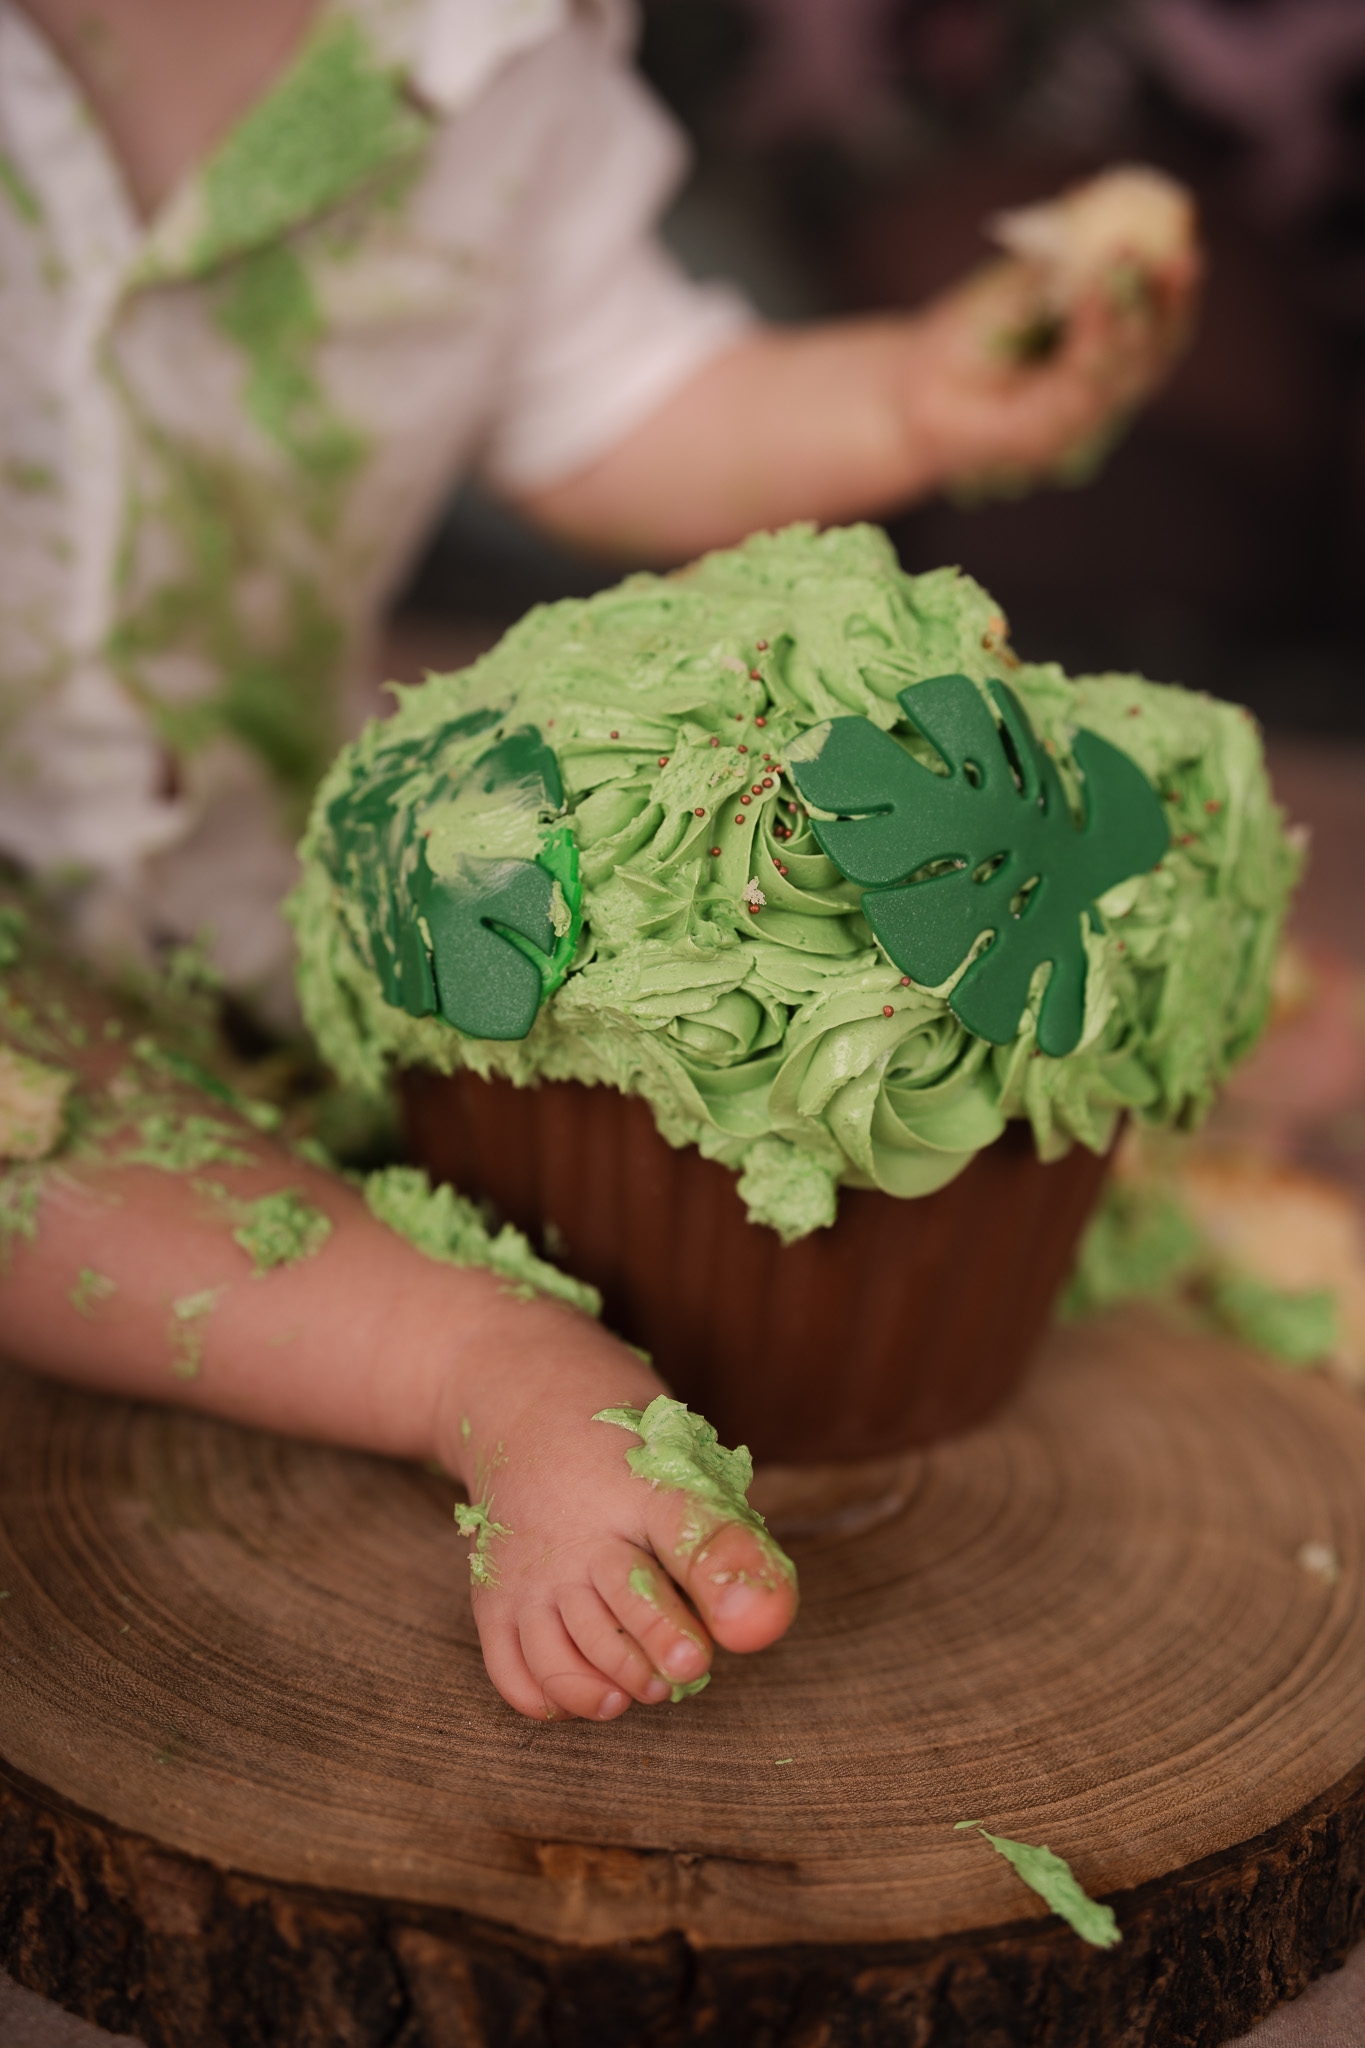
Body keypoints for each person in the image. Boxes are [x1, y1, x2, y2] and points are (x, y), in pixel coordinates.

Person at [0, 0, 1197, 1722]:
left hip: (263, 888)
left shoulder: (499, 49)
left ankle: (383, 1247)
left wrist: (905, 400)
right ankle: (469, 1358)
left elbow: (615, 408)